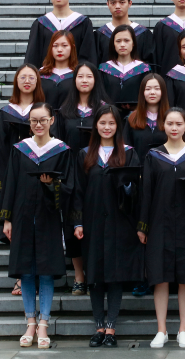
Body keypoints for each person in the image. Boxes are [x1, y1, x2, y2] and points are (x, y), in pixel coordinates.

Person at [138, 108, 185, 348]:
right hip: (159, 223)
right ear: (163, 125)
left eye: (178, 124)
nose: (174, 128)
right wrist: (143, 226)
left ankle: (183, 330)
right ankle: (161, 330)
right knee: (159, 277)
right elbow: (145, 193)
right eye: (170, 123)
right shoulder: (153, 156)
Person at [1, 103, 75, 349]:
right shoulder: (20, 149)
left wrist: (51, 185)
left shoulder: (62, 150)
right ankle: (30, 322)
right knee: (26, 270)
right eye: (34, 120)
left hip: (49, 217)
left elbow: (69, 187)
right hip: (22, 216)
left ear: (52, 121)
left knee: (45, 270)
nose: (38, 124)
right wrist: (7, 218)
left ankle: (44, 322)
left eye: (43, 120)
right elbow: (10, 183)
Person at [72, 105, 141, 348]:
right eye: (102, 123)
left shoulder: (129, 153)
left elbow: (137, 191)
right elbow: (77, 191)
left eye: (111, 123)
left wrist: (130, 188)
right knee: (95, 275)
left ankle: (111, 327)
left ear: (118, 126)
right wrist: (78, 221)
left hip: (119, 224)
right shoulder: (85, 155)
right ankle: (99, 326)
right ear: (96, 126)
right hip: (92, 224)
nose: (107, 127)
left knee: (114, 275)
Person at [55, 61, 109, 295]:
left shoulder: (104, 109)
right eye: (80, 76)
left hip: (98, 171)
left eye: (89, 76)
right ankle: (79, 275)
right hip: (70, 173)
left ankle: (97, 272)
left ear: (96, 80)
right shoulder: (64, 111)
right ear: (74, 80)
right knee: (72, 223)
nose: (84, 80)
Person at [0, 65, 45, 296]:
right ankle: (22, 278)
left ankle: (39, 275)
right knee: (17, 228)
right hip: (14, 179)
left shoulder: (44, 111)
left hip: (40, 177)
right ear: (16, 81)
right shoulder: (6, 113)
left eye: (31, 77)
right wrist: (3, 182)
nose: (27, 81)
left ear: (37, 82)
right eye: (22, 77)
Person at [25, 0, 97, 68]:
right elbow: (33, 56)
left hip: (75, 75)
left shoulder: (83, 23)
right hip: (46, 75)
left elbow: (88, 55)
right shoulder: (41, 24)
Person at [95, 0, 155, 65]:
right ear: (108, 4)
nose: (117, 6)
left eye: (122, 2)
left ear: (130, 3)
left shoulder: (143, 33)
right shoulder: (100, 34)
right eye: (113, 3)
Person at [99, 25, 151, 114]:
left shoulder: (144, 69)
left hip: (137, 116)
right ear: (113, 44)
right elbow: (99, 95)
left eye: (126, 40)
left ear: (133, 43)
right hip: (109, 116)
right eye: (118, 41)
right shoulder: (104, 69)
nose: (122, 44)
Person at [124, 73, 170, 161]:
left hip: (165, 167)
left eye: (157, 88)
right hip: (138, 167)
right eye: (148, 89)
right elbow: (127, 149)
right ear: (142, 92)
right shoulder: (132, 119)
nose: (152, 92)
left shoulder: (171, 118)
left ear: (163, 92)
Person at [39, 30, 78, 109]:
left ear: (72, 47)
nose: (59, 50)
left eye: (64, 45)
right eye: (55, 46)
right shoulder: (41, 73)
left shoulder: (78, 74)